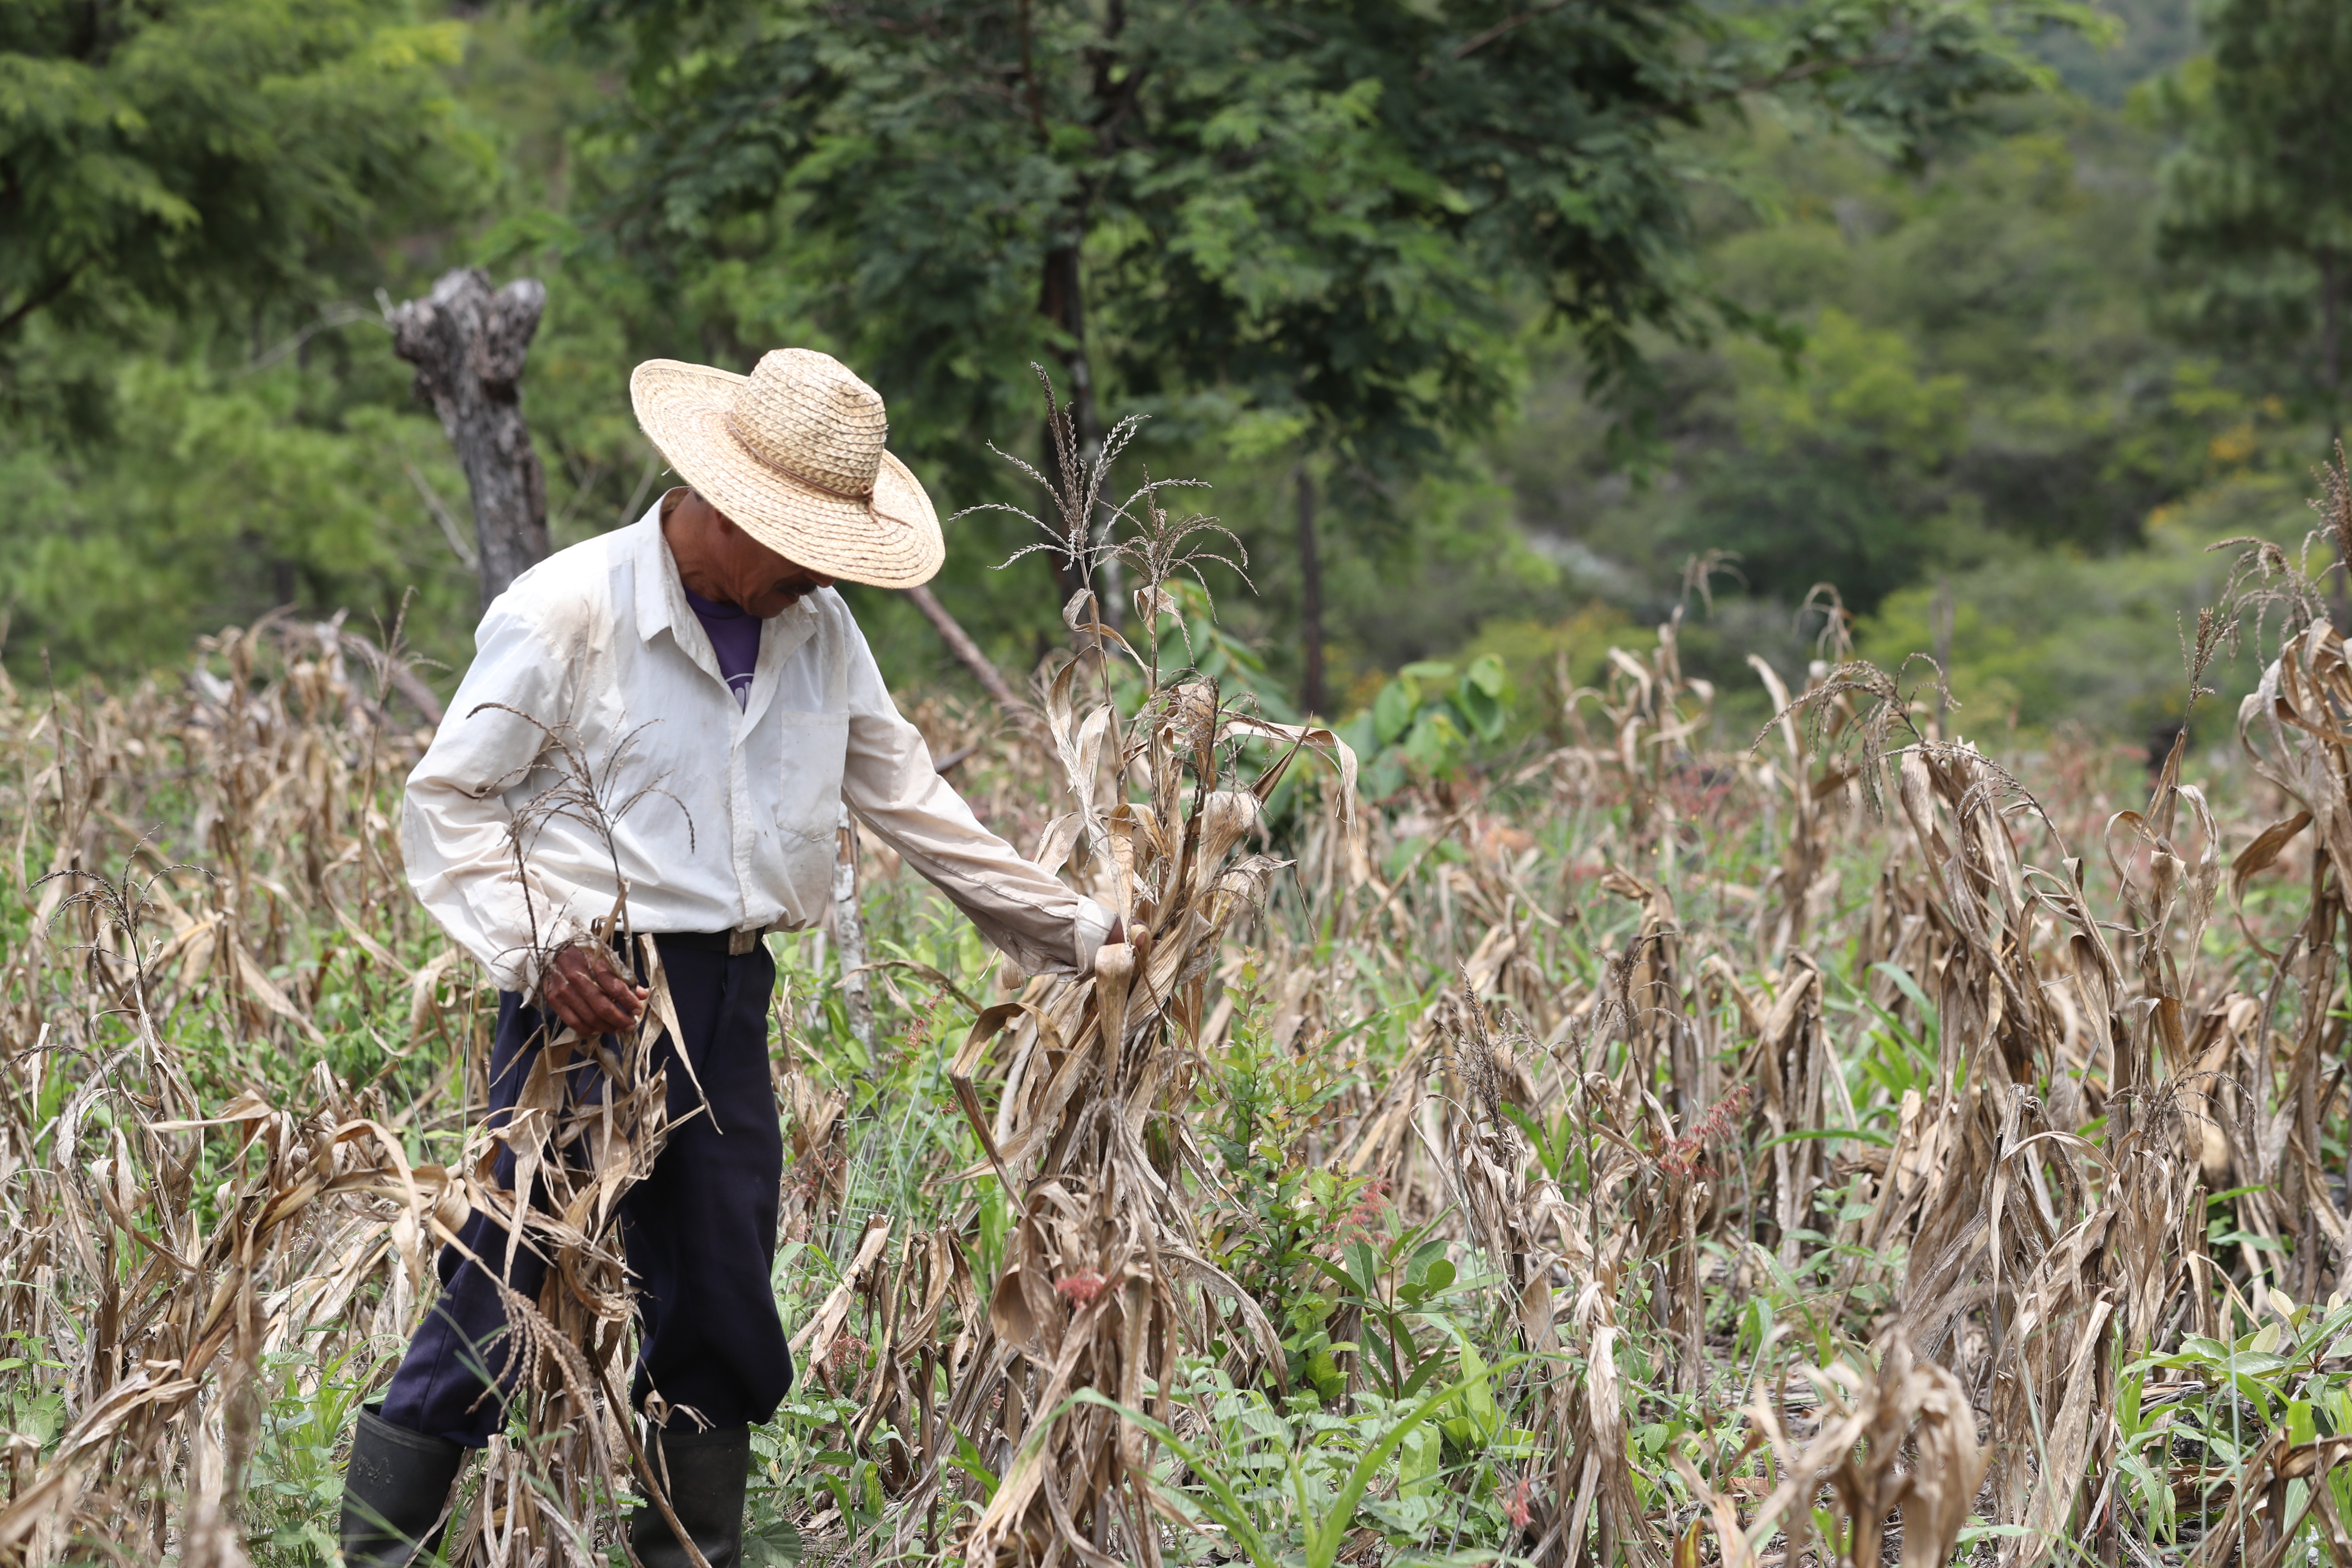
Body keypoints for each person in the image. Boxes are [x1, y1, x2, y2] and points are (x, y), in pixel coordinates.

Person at [339, 349, 1121, 1567]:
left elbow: (912, 800)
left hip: (728, 997)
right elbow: (448, 802)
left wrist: (1079, 933)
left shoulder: (817, 628)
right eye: (797, 544)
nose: (812, 572)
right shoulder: (570, 612)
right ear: (721, 502)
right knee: (506, 1278)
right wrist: (543, 948)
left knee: (718, 1300)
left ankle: (689, 1549)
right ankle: (382, 1550)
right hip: (587, 1004)